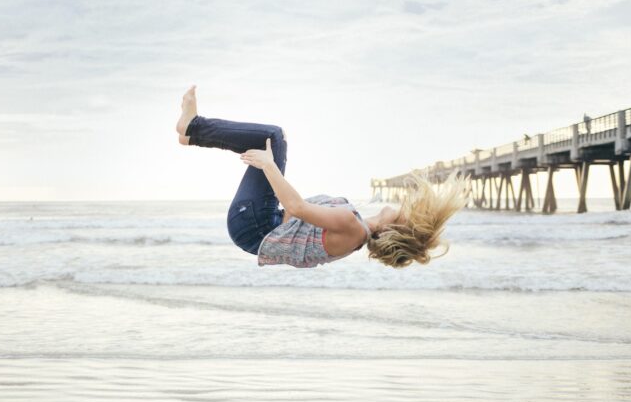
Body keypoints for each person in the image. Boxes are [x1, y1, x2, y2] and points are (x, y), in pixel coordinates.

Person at [176, 86, 468, 269]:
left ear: (395, 230)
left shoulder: (351, 226)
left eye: (407, 215)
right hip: (255, 227)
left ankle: (193, 126)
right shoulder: (353, 235)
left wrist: (269, 167)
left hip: (254, 224)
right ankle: (190, 135)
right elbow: (296, 220)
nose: (403, 208)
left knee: (273, 137)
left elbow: (299, 207)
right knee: (273, 141)